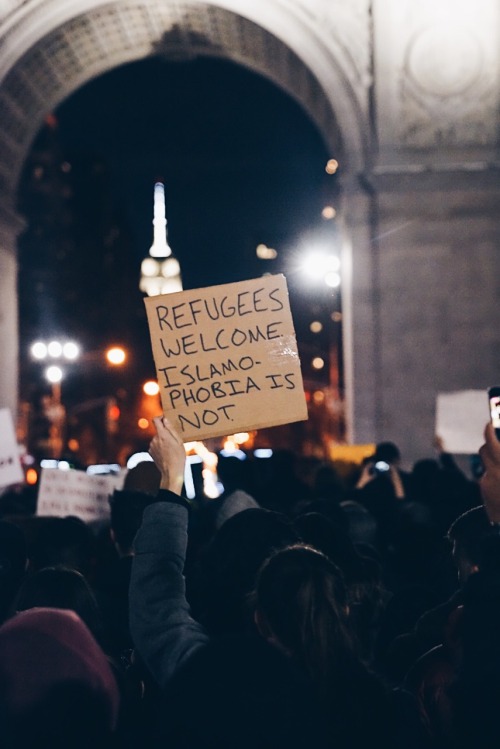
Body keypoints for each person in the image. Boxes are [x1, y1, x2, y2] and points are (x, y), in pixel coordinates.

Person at [129, 417, 428, 749]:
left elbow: (158, 602)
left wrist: (171, 481)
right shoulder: (388, 707)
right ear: (342, 605)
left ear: (260, 616)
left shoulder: (220, 686)